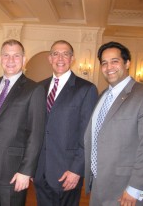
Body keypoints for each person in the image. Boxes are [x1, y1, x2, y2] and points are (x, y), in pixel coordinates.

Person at [84, 41, 143, 206]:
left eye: (115, 61)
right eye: (104, 63)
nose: (109, 67)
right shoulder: (103, 96)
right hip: (99, 184)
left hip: (126, 190)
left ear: (127, 63)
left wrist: (135, 188)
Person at [0, 39, 46, 206]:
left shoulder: (34, 89)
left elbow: (36, 134)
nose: (10, 60)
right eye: (6, 55)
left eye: (16, 56)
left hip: (14, 172)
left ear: (24, 60)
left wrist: (25, 171)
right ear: (0, 59)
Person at [33, 40, 98, 206]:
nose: (60, 58)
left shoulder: (86, 89)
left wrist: (77, 170)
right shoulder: (39, 88)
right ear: (50, 58)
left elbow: (89, 134)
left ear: (72, 59)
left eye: (65, 53)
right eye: (55, 53)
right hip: (41, 171)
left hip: (67, 171)